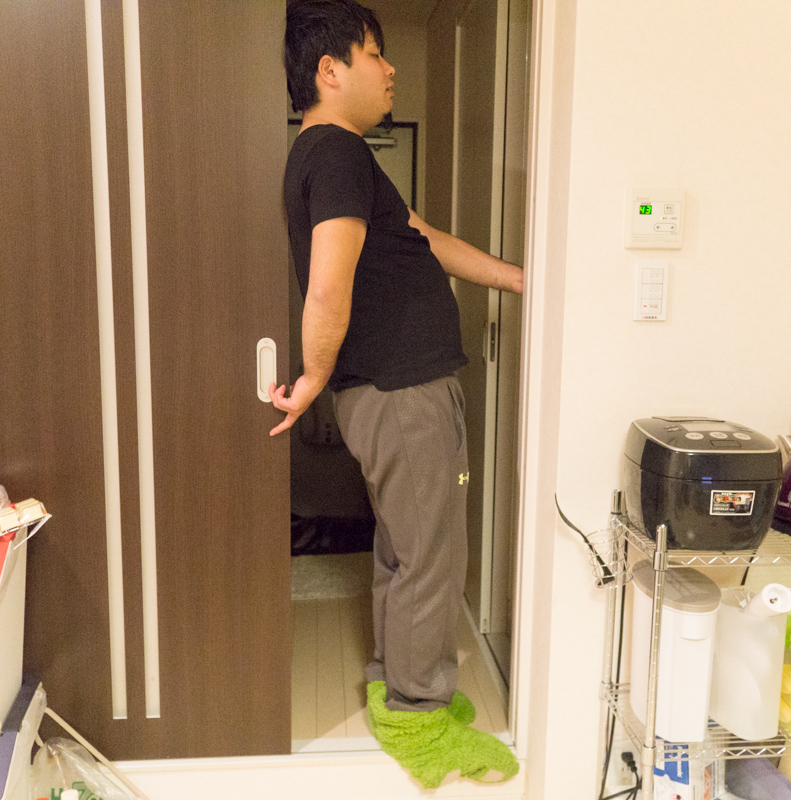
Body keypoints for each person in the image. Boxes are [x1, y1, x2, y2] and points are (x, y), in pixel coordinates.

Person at [275, 0, 522, 788]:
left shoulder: (337, 158)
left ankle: (397, 683)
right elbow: (328, 283)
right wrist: (313, 377)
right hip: (402, 390)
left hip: (393, 389)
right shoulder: (338, 153)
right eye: (376, 53)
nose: (390, 69)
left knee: (404, 548)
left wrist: (521, 279)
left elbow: (425, 239)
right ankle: (420, 717)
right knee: (430, 555)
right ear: (330, 69)